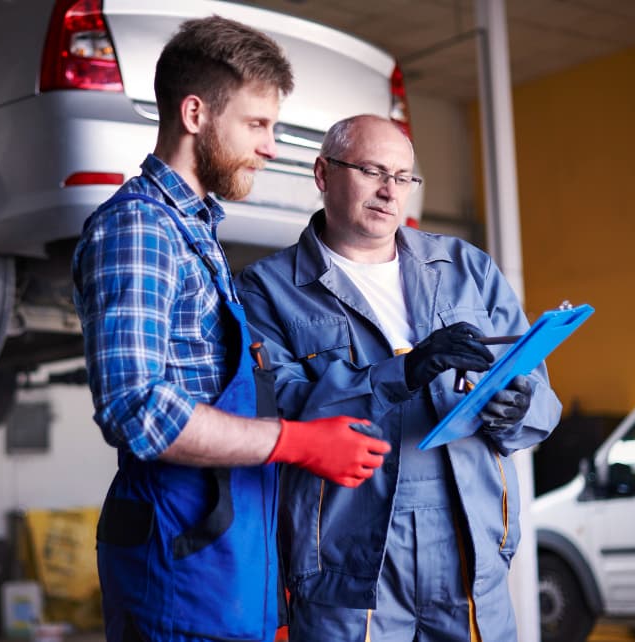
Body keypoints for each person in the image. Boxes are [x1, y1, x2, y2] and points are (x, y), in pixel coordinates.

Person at [71, 20, 391, 642]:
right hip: (176, 579)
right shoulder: (140, 230)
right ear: (195, 114)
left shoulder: (197, 234)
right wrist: (298, 442)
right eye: (257, 124)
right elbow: (137, 410)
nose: (270, 146)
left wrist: (272, 598)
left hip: (227, 573)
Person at [234, 114, 563, 641]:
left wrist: (518, 408)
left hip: (469, 550)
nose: (390, 191)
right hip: (347, 561)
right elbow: (279, 410)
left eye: (403, 177)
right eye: (372, 171)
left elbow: (543, 401)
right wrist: (402, 372)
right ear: (323, 173)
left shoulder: (466, 269)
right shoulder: (268, 289)